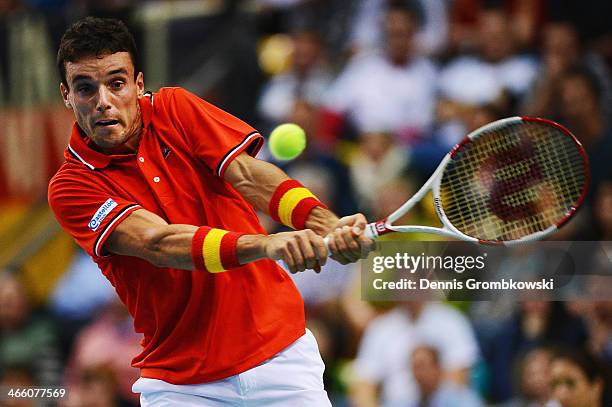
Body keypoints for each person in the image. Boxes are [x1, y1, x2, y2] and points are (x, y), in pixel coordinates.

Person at [48, 17, 374, 406]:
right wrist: (269, 246)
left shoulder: (176, 108)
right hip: (182, 386)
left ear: (137, 84)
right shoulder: (71, 187)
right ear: (67, 95)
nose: (103, 101)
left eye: (116, 83)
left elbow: (250, 176)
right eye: (86, 88)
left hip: (280, 358)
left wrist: (327, 224)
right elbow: (159, 242)